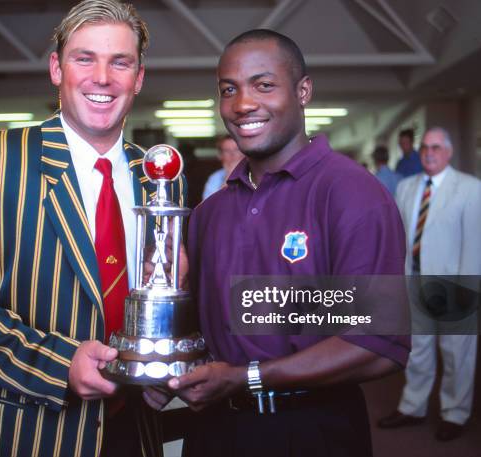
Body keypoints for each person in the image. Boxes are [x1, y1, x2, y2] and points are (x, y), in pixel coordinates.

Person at [0, 1, 184, 456]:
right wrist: (59, 365)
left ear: (138, 77)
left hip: (135, 430)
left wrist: (162, 366)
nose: (102, 77)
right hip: (23, 431)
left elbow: (165, 293)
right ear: (57, 68)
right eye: (85, 58)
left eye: (120, 62)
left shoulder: (156, 174)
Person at [162, 29, 410, 457]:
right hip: (215, 432)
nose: (242, 104)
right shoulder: (208, 213)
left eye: (263, 85)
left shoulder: (352, 193)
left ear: (303, 91)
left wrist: (248, 377)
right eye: (228, 89)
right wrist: (164, 374)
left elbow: (379, 345)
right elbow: (201, 329)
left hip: (313, 431)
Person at [378, 127, 480, 441]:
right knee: (417, 350)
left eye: (436, 147)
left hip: (453, 283)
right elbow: (399, 237)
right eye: (425, 148)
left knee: (455, 354)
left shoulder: (470, 188)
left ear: (448, 152)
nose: (429, 153)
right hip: (414, 280)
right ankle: (412, 407)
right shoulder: (407, 187)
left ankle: (455, 412)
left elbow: (474, 244)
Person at [202, 135, 244, 199]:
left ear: (244, 154)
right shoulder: (215, 178)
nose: (232, 154)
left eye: (237, 150)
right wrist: (229, 176)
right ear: (220, 155)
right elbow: (208, 207)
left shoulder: (255, 174)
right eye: (227, 150)